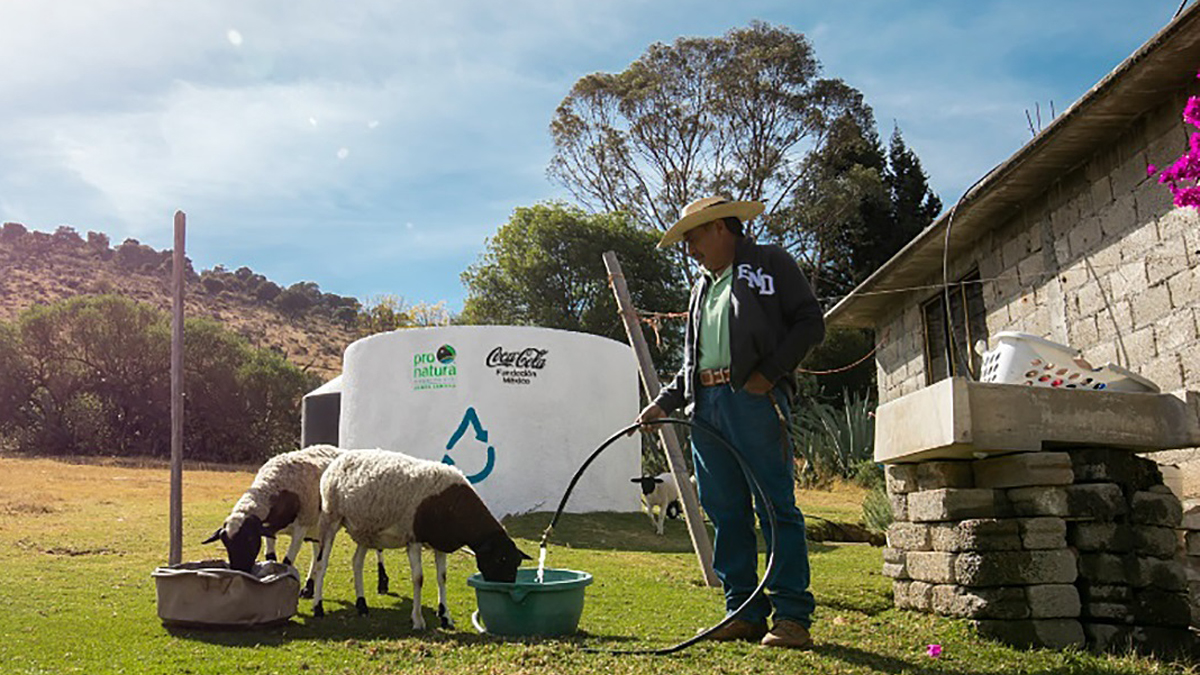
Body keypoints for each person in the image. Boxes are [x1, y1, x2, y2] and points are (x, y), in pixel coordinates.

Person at [634, 196, 825, 649]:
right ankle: (742, 611)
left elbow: (809, 323)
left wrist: (767, 375)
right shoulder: (701, 287)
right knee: (724, 510)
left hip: (754, 400)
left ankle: (792, 617)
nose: (690, 249)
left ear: (721, 227)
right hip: (706, 406)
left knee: (775, 508)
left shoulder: (770, 262)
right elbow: (691, 362)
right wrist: (664, 403)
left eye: (694, 237)